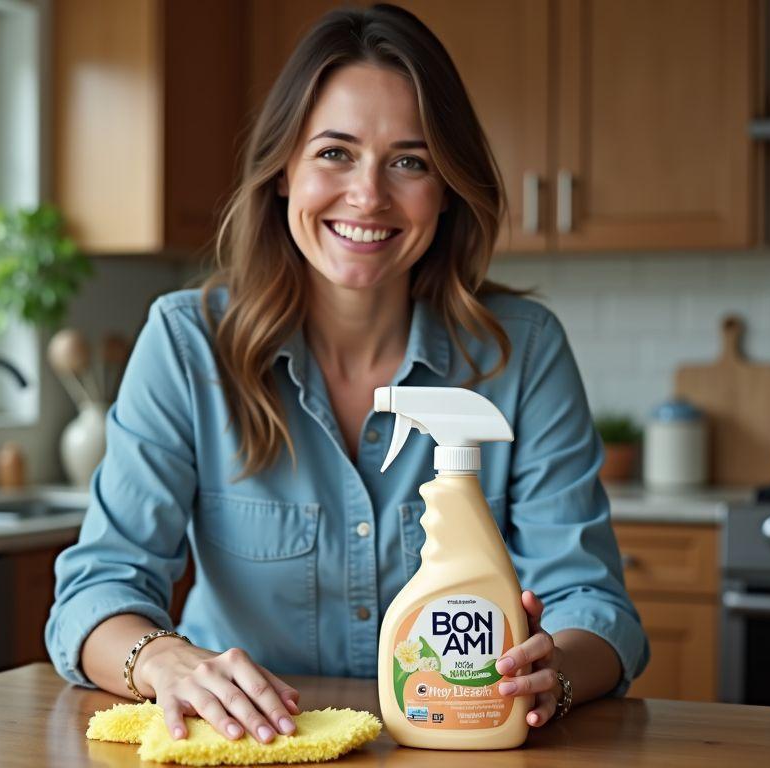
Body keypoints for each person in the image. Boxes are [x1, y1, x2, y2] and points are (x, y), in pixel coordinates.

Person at [46, 3, 647, 745]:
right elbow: (96, 590)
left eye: (410, 161)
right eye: (334, 153)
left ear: (447, 187)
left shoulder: (521, 352)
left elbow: (593, 604)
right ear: (282, 171)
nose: (368, 196)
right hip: (251, 749)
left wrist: (550, 677)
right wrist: (166, 661)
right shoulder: (187, 341)